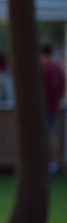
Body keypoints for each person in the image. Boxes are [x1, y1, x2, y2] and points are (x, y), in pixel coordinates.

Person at [40, 42, 65, 173]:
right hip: (54, 107)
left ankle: (50, 162)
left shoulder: (43, 69)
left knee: (47, 135)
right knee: (51, 134)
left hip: (44, 108)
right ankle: (53, 162)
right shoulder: (58, 69)